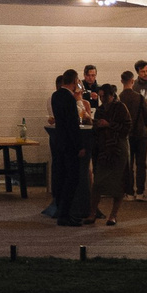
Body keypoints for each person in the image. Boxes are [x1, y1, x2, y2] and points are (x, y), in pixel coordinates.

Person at [50, 69, 88, 226]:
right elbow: (73, 124)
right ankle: (66, 214)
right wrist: (79, 145)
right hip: (70, 144)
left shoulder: (56, 95)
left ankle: (61, 210)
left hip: (59, 141)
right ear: (74, 81)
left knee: (61, 177)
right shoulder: (70, 98)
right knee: (72, 179)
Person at [90, 82, 130, 223]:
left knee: (118, 183)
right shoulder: (101, 109)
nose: (102, 100)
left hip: (118, 148)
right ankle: (93, 212)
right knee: (98, 182)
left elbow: (127, 127)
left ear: (111, 95)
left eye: (104, 97)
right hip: (104, 148)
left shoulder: (121, 107)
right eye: (100, 97)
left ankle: (113, 215)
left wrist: (109, 125)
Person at [119, 70, 147, 198]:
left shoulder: (119, 98)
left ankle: (129, 192)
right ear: (133, 81)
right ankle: (140, 192)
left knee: (128, 165)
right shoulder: (139, 97)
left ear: (122, 81)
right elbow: (146, 117)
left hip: (126, 135)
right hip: (141, 134)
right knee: (141, 164)